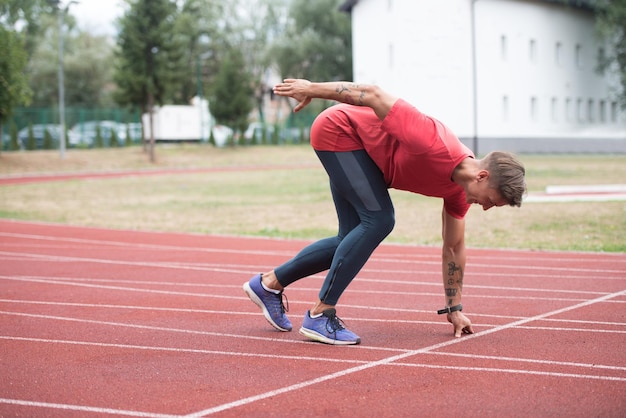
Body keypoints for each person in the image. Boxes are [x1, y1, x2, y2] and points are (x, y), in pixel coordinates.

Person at [243, 78, 526, 345]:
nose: (486, 208)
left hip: (361, 155)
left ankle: (268, 284)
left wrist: (454, 307)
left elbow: (453, 247)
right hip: (340, 131)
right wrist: (312, 89)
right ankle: (320, 313)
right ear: (482, 176)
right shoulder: (432, 142)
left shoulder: (459, 193)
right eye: (491, 200)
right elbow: (372, 94)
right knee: (379, 220)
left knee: (351, 238)